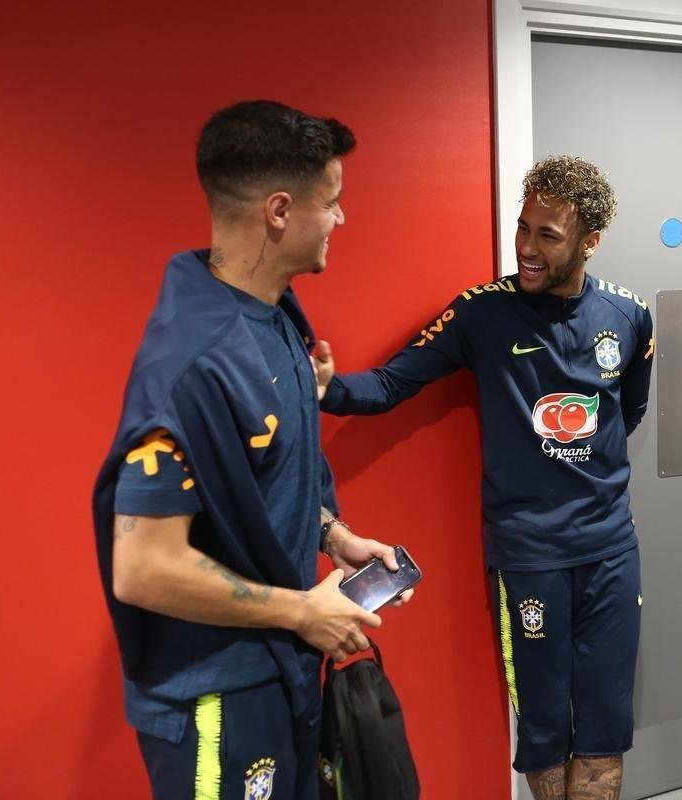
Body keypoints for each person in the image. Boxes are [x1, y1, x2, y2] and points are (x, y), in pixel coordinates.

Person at [92, 99, 411, 800]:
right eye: (330, 202)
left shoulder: (275, 316)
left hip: (279, 672)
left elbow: (261, 480)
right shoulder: (193, 365)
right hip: (216, 698)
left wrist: (334, 534)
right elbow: (143, 569)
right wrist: (302, 611)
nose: (340, 219)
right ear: (278, 211)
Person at [316, 155, 654, 800]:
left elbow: (626, 412)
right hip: (528, 556)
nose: (526, 247)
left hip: (611, 551)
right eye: (523, 228)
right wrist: (329, 389)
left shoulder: (629, 315)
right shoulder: (482, 313)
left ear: (589, 241)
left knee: (605, 734)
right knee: (545, 735)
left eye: (547, 235)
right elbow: (391, 383)